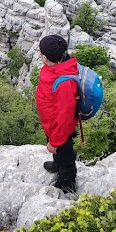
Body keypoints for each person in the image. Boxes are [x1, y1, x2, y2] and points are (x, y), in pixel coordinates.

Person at [35, 35, 78, 193]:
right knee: (59, 153)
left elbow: (65, 117)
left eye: (41, 52)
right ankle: (57, 165)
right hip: (51, 123)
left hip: (61, 129)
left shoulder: (64, 83)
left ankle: (67, 182)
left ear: (45, 57)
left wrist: (55, 142)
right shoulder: (59, 64)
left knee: (65, 153)